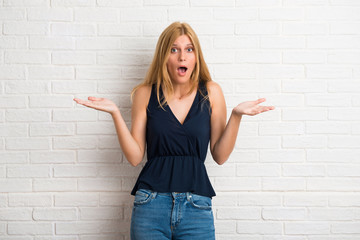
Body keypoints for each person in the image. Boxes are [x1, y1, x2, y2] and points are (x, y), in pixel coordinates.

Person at [73, 21, 275, 240]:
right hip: (150, 204)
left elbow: (220, 156)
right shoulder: (145, 93)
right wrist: (115, 113)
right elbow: (134, 157)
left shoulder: (211, 92)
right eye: (174, 49)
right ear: (164, 56)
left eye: (189, 49)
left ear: (196, 56)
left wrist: (236, 116)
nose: (182, 57)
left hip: (196, 207)